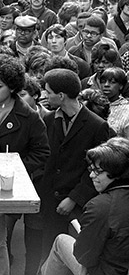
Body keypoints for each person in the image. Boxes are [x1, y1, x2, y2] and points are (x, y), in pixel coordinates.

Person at [0, 55, 49, 275]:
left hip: (11, 186)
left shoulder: (30, 117)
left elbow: (42, 153)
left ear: (12, 87)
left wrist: (15, 166)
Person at [33, 68, 111, 272]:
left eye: (48, 92)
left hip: (78, 205)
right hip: (50, 201)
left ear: (61, 96)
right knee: (47, 252)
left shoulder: (97, 125)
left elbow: (96, 169)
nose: (45, 96)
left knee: (75, 258)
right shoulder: (49, 120)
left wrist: (74, 198)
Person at [40, 137, 129, 275]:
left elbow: (84, 257)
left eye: (98, 171)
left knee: (60, 241)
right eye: (91, 169)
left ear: (117, 172)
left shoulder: (100, 206)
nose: (92, 175)